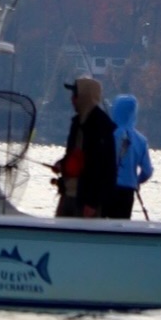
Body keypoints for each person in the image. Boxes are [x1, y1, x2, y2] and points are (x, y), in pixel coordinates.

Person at [53, 77, 116, 219]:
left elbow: (105, 169)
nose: (72, 99)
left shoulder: (102, 126)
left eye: (75, 94)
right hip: (68, 194)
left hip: (87, 202)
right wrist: (62, 164)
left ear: (84, 96)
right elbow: (73, 154)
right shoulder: (76, 123)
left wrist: (93, 203)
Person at [107, 93, 153, 220]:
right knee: (122, 225)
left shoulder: (108, 135)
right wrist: (137, 180)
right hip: (127, 191)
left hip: (107, 189)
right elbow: (147, 171)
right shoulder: (141, 140)